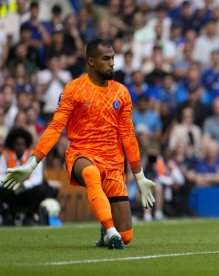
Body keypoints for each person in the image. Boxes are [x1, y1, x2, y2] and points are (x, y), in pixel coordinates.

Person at [0, 39, 157, 249]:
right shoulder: (73, 89)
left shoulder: (122, 92)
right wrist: (31, 164)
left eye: (113, 58)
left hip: (113, 163)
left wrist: (139, 176)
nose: (112, 63)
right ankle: (110, 231)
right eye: (106, 59)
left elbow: (128, 136)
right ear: (91, 61)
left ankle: (107, 231)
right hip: (81, 155)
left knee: (127, 235)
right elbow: (55, 128)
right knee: (91, 174)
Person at [0, 127, 57, 226]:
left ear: (26, 145)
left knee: (47, 189)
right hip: (10, 191)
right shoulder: (5, 156)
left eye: (22, 144)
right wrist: (9, 184)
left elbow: (37, 178)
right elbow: (0, 175)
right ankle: (6, 215)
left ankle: (35, 214)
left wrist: (24, 185)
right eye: (17, 144)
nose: (20, 147)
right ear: (13, 145)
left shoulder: (33, 156)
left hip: (28, 192)